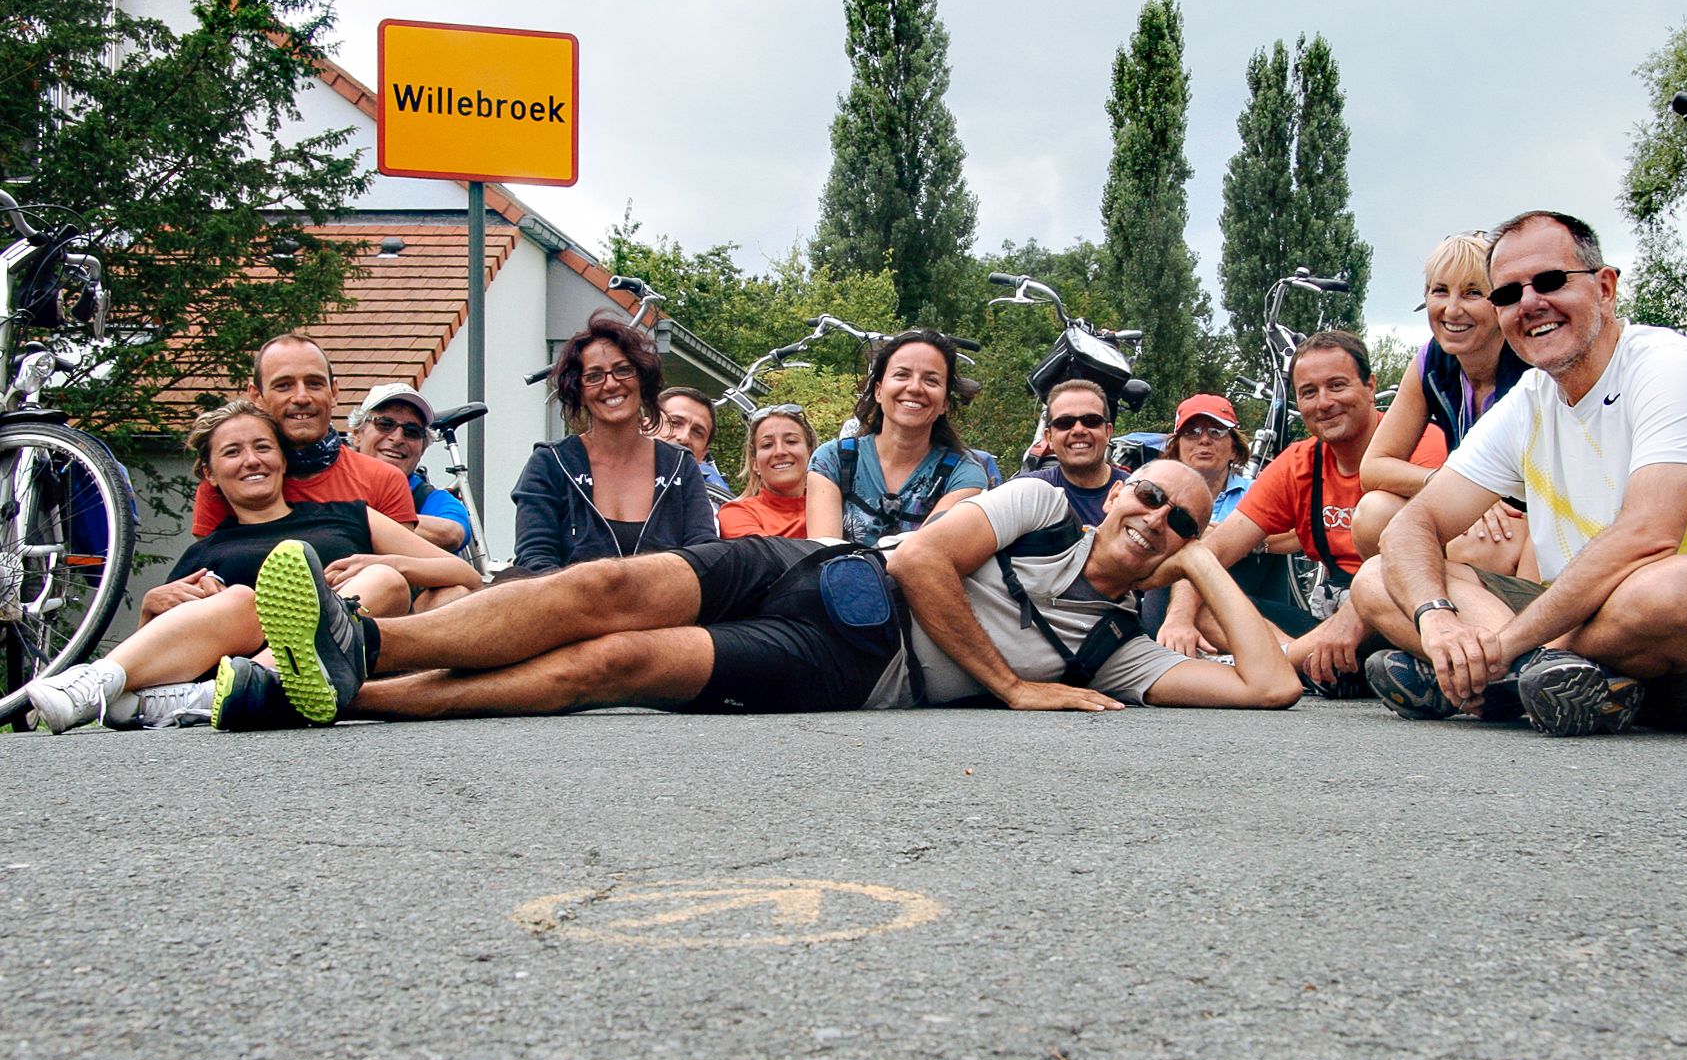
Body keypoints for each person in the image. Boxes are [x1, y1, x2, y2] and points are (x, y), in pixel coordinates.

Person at [209, 461, 1303, 729]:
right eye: (1149, 496)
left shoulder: (1112, 653)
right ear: (1120, 490)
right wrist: (1012, 688)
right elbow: (924, 563)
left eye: (1181, 521)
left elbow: (1268, 689)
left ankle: (342, 689)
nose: (1155, 518)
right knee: (606, 585)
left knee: (619, 664)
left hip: (849, 668)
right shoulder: (1041, 503)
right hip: (816, 568)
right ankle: (370, 646)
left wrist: (1204, 565)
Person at [1351, 210, 1687, 736]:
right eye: (1507, 293)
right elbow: (1413, 525)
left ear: (1605, 288)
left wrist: (1504, 645)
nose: (1530, 303)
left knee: (1682, 586)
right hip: (1593, 631)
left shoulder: (1669, 368)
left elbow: (1647, 535)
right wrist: (1436, 617)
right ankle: (1546, 683)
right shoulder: (1530, 400)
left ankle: (1496, 678)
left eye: (1551, 281)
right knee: (1377, 578)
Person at [24, 402, 479, 733]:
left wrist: (382, 559)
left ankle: (238, 690)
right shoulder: (206, 551)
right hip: (236, 647)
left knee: (383, 580)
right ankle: (93, 685)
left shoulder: (349, 516)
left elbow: (466, 575)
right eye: (232, 452)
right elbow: (166, 651)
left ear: (282, 458)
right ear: (210, 473)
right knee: (242, 599)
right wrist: (150, 608)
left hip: (347, 645)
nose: (252, 460)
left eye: (263, 447)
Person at [1157, 330, 1447, 694]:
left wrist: (1351, 618)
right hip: (1331, 613)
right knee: (1201, 604)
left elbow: (1434, 554)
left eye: (1337, 386)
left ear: (1370, 386)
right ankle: (1306, 664)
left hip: (1407, 601)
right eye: (1309, 392)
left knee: (1380, 517)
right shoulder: (1297, 463)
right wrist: (1178, 620)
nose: (1324, 403)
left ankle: (1288, 663)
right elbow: (1210, 553)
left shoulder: (1422, 440)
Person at [1354, 233, 1536, 578]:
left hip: (1527, 516)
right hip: (1467, 503)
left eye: (1472, 292)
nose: (1452, 309)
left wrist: (1481, 497)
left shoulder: (1532, 364)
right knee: (1373, 514)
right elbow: (1374, 467)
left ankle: (1477, 609)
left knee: (1481, 545)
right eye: (1440, 291)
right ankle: (1420, 606)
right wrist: (1454, 486)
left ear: (1500, 301)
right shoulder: (1431, 362)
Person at [509, 311, 717, 574]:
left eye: (623, 370)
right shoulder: (550, 463)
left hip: (667, 599)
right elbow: (534, 560)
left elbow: (704, 557)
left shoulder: (679, 465)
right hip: (570, 600)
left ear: (641, 379)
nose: (610, 384)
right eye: (594, 376)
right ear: (579, 392)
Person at [191, 334, 415, 536]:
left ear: (334, 392)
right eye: (283, 386)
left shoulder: (383, 480)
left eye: (314, 384)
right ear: (256, 395)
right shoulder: (230, 484)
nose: (301, 397)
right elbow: (212, 562)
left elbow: (404, 564)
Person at [806, 329, 988, 546]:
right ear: (878, 391)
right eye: (902, 375)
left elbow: (922, 553)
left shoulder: (964, 476)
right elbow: (823, 553)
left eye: (931, 380)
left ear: (945, 403)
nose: (914, 387)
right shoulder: (832, 461)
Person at [348, 383, 471, 553]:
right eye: (385, 424)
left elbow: (451, 534)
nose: (397, 438)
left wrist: (349, 517)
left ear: (422, 449)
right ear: (357, 434)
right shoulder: (327, 479)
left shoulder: (429, 498)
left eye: (412, 431)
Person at [1016, 380, 1130, 525]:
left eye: (1091, 420)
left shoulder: (1135, 495)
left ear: (1108, 432)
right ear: (1049, 437)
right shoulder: (1024, 493)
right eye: (1064, 422)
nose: (1078, 430)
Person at [718, 405, 816, 538]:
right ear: (755, 464)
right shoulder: (736, 513)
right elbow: (763, 550)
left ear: (810, 453)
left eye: (791, 441)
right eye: (767, 445)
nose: (780, 451)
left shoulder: (836, 507)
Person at [1161, 394, 1250, 525]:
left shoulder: (1258, 494)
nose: (1204, 440)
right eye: (1192, 432)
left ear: (1234, 450)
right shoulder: (1156, 494)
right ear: (1176, 448)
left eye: (1216, 431)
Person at [658, 386, 732, 499]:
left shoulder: (714, 502)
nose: (684, 437)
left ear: (703, 454)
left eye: (697, 432)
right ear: (646, 427)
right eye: (675, 423)